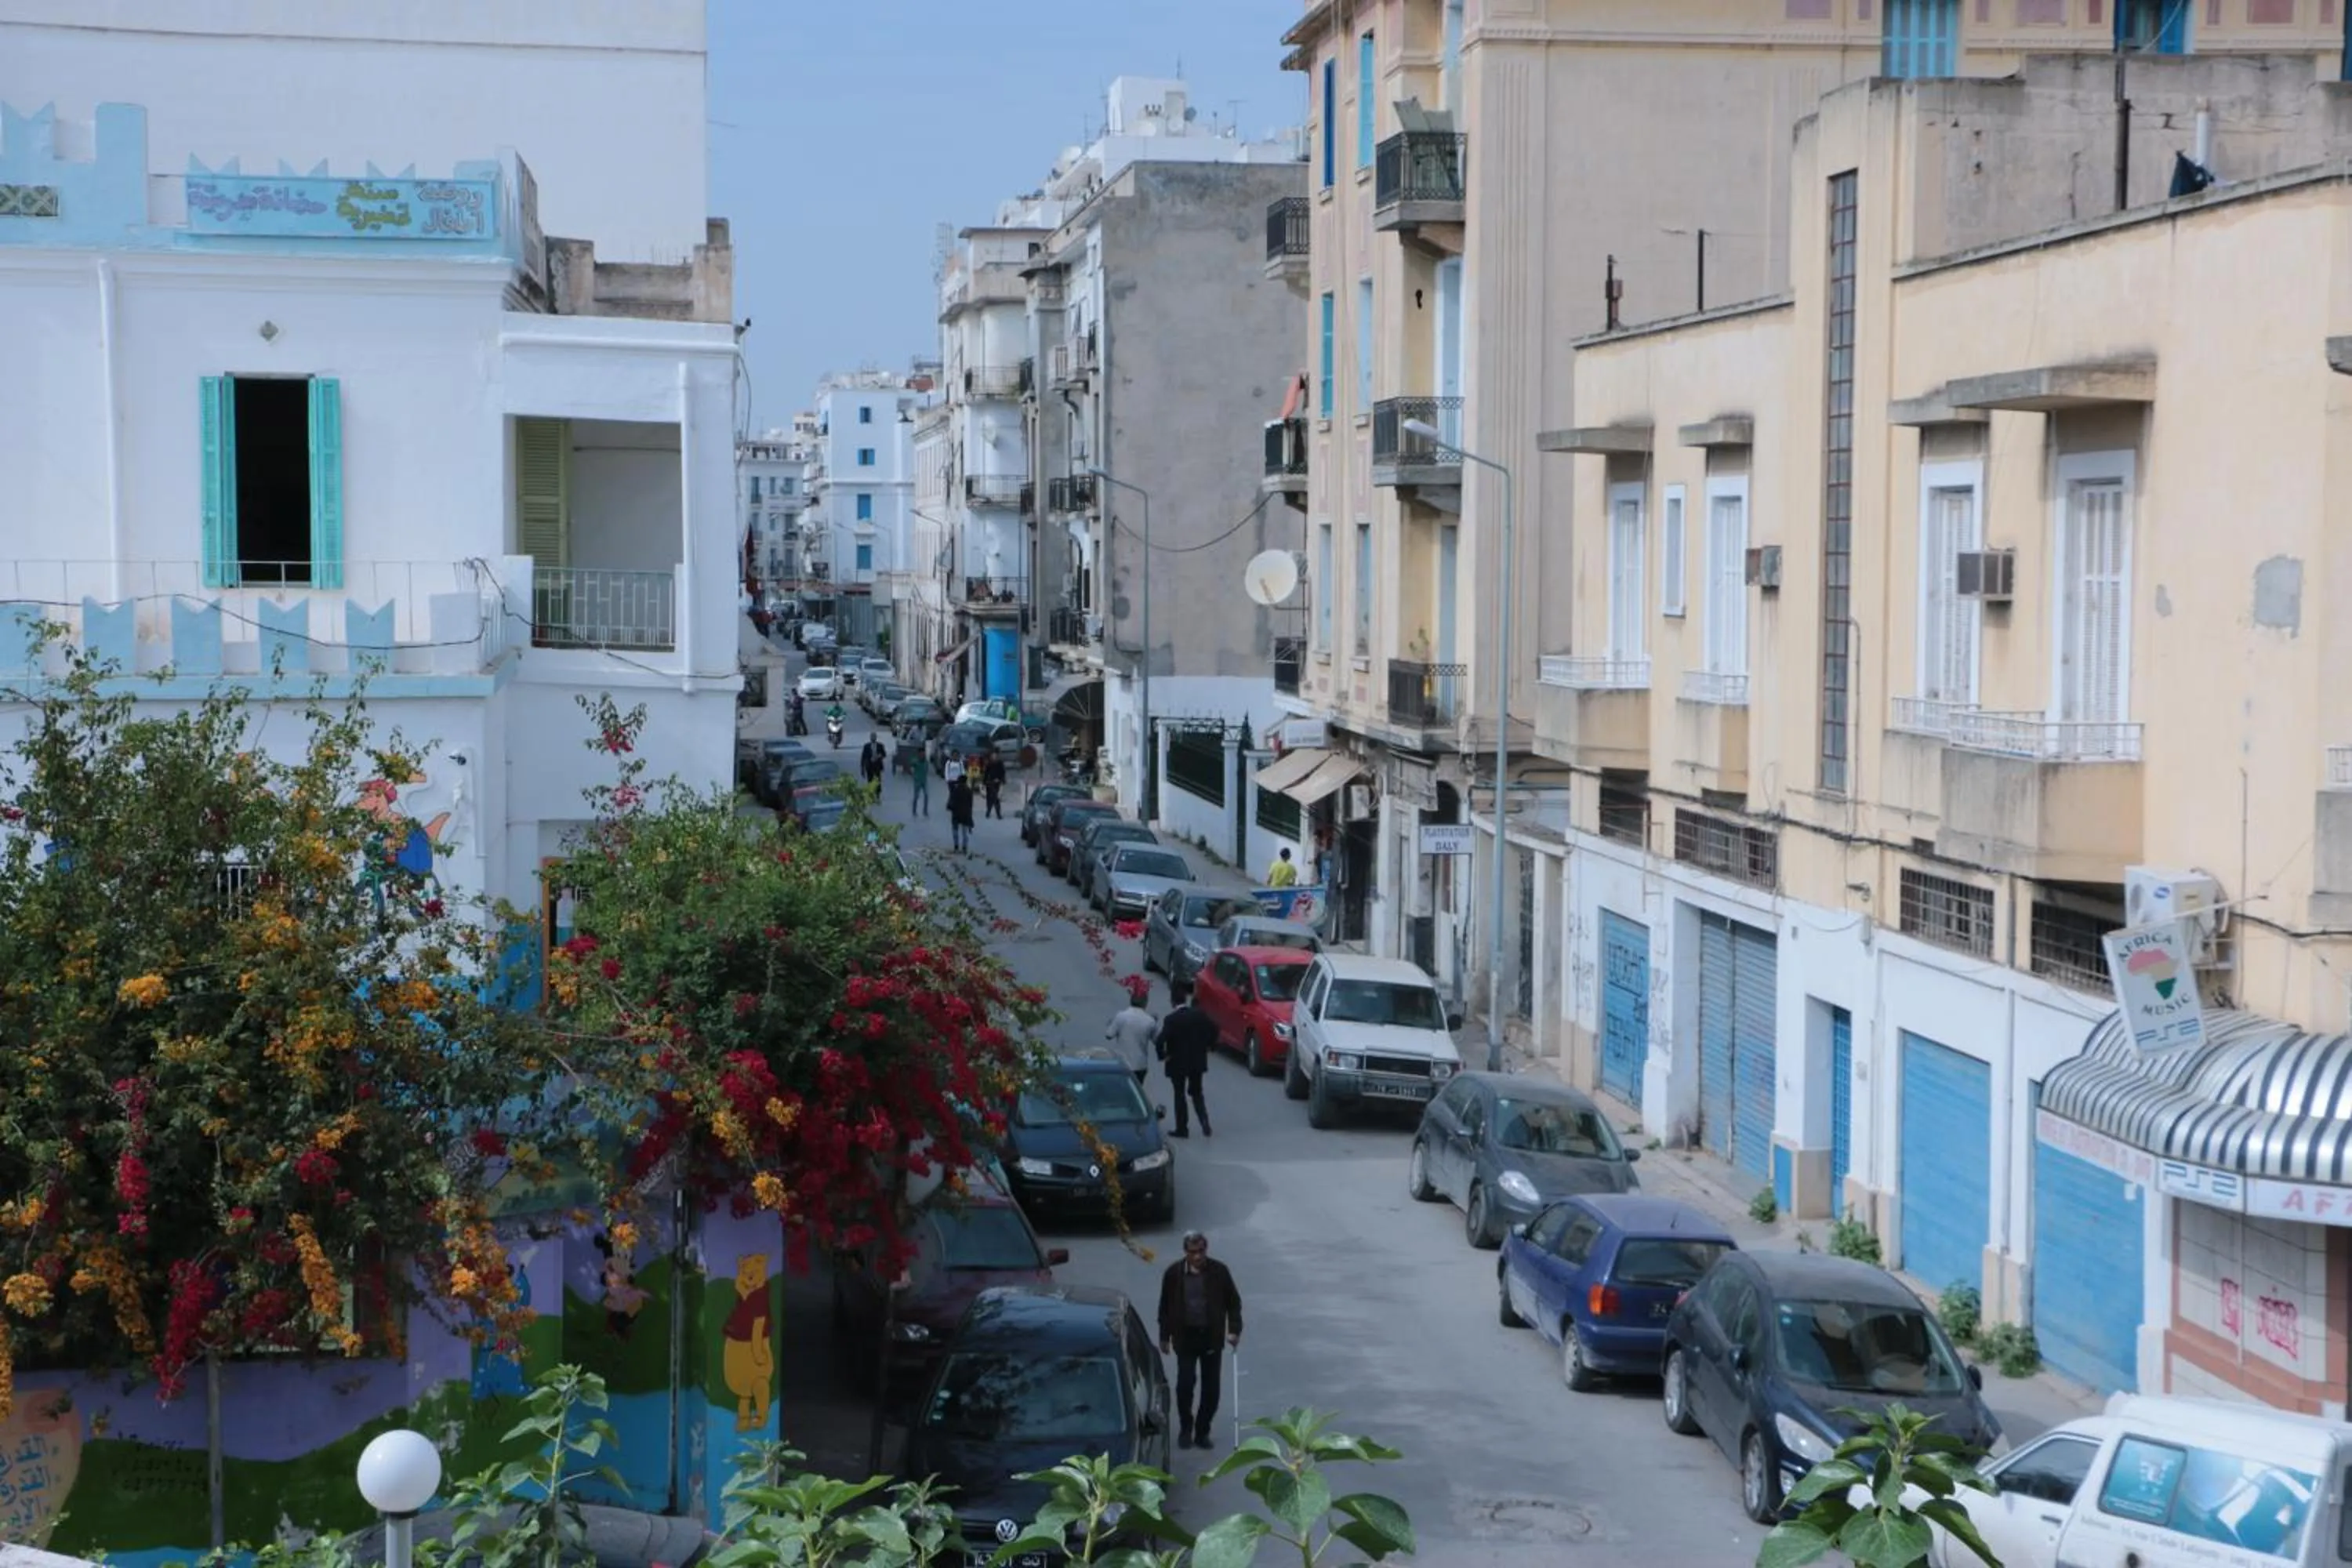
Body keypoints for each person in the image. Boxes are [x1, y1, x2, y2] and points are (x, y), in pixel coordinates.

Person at [1156, 1231, 1241, 1452]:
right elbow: (1164, 1307)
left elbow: (1233, 1303)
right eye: (1193, 1252)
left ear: (1206, 1250)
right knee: (1185, 1385)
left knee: (1211, 1389)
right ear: (1186, 1252)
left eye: (1201, 1251)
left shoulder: (1219, 1272)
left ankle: (1203, 1431)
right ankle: (1186, 1428)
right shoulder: (1174, 1273)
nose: (1197, 1257)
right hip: (1185, 1338)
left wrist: (1234, 1330)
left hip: (1211, 1337)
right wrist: (1164, 1337)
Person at [1155, 989, 1217, 1138]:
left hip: (1177, 1063)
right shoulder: (1199, 1015)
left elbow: (1160, 1041)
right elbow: (1215, 1029)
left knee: (1179, 1094)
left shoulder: (1171, 1019)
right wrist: (1210, 1045)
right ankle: (1205, 1122)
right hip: (1197, 1061)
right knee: (1197, 1093)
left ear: (1172, 1002)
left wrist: (1163, 1056)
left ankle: (1182, 1128)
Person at [1105, 982, 1158, 1084]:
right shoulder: (1149, 1021)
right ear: (1145, 1002)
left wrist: (1111, 1023)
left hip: (1122, 1063)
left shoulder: (1121, 1016)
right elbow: (1157, 1040)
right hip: (1140, 1065)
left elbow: (1109, 1035)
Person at [946, 771, 975, 853]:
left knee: (955, 831)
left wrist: (950, 808)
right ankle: (965, 848)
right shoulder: (969, 791)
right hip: (966, 814)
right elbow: (971, 804)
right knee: (965, 832)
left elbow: (951, 801)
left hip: (956, 814)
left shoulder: (955, 790)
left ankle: (956, 846)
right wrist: (970, 816)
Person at [981, 753, 1007, 819]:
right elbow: (986, 773)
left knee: (996, 798)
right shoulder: (989, 764)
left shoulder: (1000, 764)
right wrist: (984, 782)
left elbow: (1003, 773)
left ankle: (998, 814)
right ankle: (989, 811)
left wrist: (1001, 780)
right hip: (989, 783)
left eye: (995, 757)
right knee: (989, 799)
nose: (994, 759)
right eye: (993, 757)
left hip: (997, 783)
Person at [908, 748, 931, 817]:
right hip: (917, 781)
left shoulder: (926, 762)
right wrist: (912, 775)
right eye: (921, 754)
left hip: (924, 781)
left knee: (926, 795)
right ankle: (914, 811)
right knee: (916, 797)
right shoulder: (915, 761)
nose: (922, 755)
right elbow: (909, 766)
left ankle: (925, 811)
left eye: (923, 754)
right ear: (918, 754)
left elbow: (926, 770)